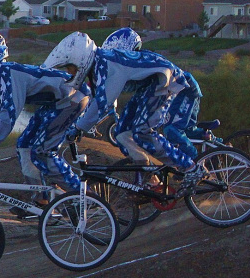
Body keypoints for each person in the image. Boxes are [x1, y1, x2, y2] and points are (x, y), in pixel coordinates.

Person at [43, 32, 206, 193]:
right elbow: (91, 97)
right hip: (148, 86)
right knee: (121, 133)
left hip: (164, 80)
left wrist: (78, 128)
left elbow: (103, 103)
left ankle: (191, 168)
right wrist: (67, 122)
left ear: (81, 59)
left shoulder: (109, 64)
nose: (71, 72)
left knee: (143, 132)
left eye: (71, 67)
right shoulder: (98, 66)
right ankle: (150, 178)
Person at [0, 33, 90, 216]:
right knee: (24, 145)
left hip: (73, 98)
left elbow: (8, 118)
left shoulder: (5, 73)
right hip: (55, 102)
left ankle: (82, 197)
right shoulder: (0, 75)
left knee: (42, 151)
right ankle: (41, 198)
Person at [101, 27, 203, 160]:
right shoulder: (133, 65)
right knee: (183, 130)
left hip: (185, 90)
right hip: (177, 88)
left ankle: (195, 162)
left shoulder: (142, 60)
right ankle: (209, 138)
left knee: (172, 129)